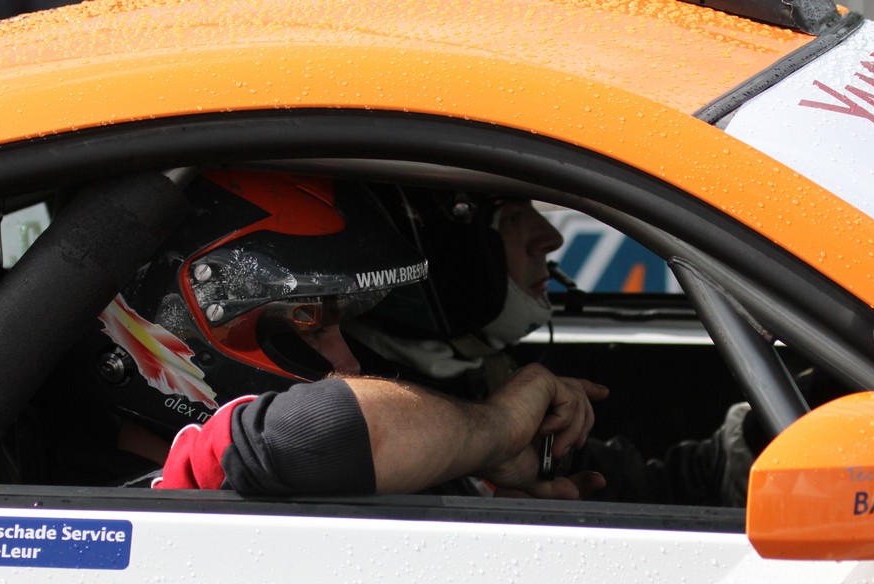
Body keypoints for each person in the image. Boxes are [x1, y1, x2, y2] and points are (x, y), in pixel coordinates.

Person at [66, 170, 607, 498]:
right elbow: (327, 426)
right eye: (307, 324)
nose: (348, 363)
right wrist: (499, 427)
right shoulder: (157, 494)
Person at [344, 188, 762, 507]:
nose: (551, 237)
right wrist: (497, 428)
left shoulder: (484, 377)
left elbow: (637, 489)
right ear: (433, 245)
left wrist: (758, 435)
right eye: (507, 212)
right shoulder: (345, 408)